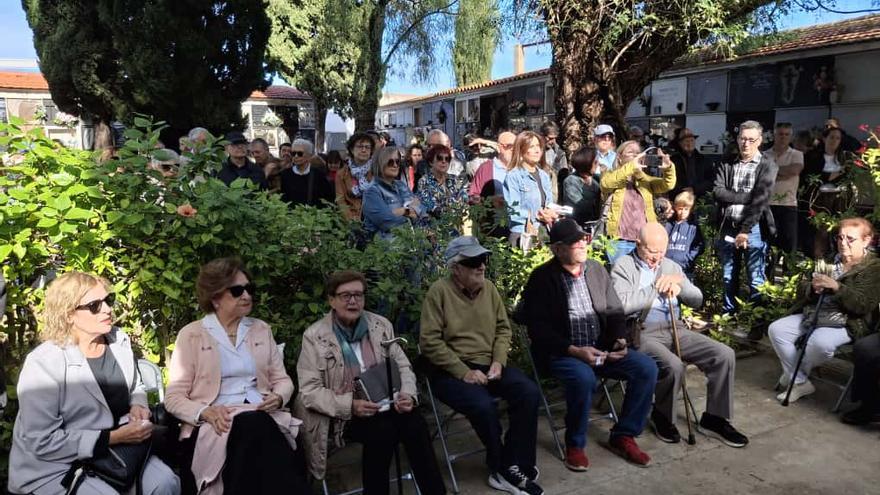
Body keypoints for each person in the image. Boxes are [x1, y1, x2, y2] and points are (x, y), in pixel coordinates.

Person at [8, 271, 180, 495]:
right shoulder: (44, 363)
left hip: (119, 452)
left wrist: (139, 404)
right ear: (68, 314)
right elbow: (42, 441)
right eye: (94, 305)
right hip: (57, 466)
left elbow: (136, 385)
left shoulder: (119, 341)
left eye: (108, 300)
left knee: (166, 483)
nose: (107, 309)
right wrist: (113, 437)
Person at [518, 219, 659, 470]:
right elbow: (538, 330)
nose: (583, 244)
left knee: (646, 368)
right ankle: (575, 444)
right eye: (575, 241)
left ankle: (623, 435)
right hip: (563, 353)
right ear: (557, 249)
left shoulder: (595, 269)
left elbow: (615, 311)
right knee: (583, 378)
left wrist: (619, 341)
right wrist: (575, 351)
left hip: (601, 348)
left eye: (584, 238)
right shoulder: (542, 278)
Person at [295, 271, 446, 495]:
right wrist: (350, 405)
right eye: (345, 295)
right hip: (346, 415)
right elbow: (309, 392)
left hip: (390, 401)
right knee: (382, 432)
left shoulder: (379, 325)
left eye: (358, 295)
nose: (353, 301)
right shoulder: (315, 336)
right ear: (331, 299)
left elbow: (403, 365)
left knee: (415, 424)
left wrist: (407, 394)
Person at [165, 258, 308, 494]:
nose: (247, 296)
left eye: (249, 289)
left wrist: (279, 398)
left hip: (260, 413)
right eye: (237, 290)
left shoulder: (260, 328)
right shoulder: (191, 335)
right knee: (257, 435)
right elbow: (174, 397)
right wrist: (204, 412)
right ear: (215, 298)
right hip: (216, 422)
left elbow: (282, 380)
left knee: (254, 427)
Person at [421, 236, 544, 495]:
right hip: (450, 370)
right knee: (483, 405)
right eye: (473, 261)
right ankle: (501, 467)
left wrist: (498, 361)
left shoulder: (488, 288)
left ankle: (511, 462)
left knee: (529, 392)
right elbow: (430, 343)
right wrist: (463, 372)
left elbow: (503, 329)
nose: (481, 266)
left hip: (489, 364)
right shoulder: (439, 292)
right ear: (456, 268)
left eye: (483, 260)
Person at [611, 223, 749, 448]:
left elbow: (697, 299)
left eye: (661, 251)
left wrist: (681, 283)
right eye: (651, 251)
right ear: (638, 244)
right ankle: (663, 417)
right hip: (642, 332)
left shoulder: (670, 265)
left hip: (676, 328)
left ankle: (715, 418)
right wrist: (656, 287)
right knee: (673, 365)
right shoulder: (623, 266)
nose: (657, 257)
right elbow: (622, 305)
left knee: (724, 354)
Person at [769, 217, 880, 404]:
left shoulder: (874, 268)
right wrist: (811, 288)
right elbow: (801, 290)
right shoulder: (829, 260)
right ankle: (800, 381)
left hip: (848, 321)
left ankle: (794, 374)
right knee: (777, 330)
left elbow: (863, 305)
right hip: (814, 314)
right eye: (840, 237)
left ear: (866, 240)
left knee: (819, 343)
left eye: (850, 239)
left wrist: (837, 287)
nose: (843, 243)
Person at [713, 120, 778, 315]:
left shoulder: (768, 165)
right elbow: (718, 192)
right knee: (727, 275)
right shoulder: (728, 162)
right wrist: (748, 197)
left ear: (760, 141)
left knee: (755, 276)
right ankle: (728, 315)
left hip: (754, 228)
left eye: (751, 139)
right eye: (742, 138)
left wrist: (745, 230)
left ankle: (755, 319)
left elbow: (760, 202)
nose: (746, 144)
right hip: (728, 226)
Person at [600, 140, 676, 264]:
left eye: (638, 153)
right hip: (619, 241)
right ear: (619, 157)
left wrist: (668, 168)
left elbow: (668, 184)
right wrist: (632, 166)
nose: (636, 156)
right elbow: (605, 184)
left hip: (643, 241)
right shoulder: (609, 175)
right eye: (631, 153)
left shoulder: (644, 180)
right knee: (620, 278)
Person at [503, 131, 558, 251]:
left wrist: (552, 212)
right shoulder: (514, 176)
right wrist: (536, 215)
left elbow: (548, 203)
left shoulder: (543, 175)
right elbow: (513, 211)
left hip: (544, 233)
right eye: (532, 147)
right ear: (521, 150)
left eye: (538, 146)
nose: (537, 150)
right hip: (523, 234)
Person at [802, 126, 850, 258]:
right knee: (820, 232)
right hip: (819, 198)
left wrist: (833, 176)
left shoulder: (843, 158)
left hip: (839, 199)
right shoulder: (813, 155)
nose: (834, 140)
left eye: (838, 138)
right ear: (824, 138)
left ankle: (832, 261)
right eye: (831, 137)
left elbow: (846, 177)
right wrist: (831, 176)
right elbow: (810, 177)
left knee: (835, 232)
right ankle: (817, 261)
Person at [362, 146, 426, 239]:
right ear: (380, 164)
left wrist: (398, 212)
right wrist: (407, 211)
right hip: (387, 248)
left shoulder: (400, 185)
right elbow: (387, 222)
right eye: (390, 162)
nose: (395, 165)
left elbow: (421, 208)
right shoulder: (372, 191)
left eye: (398, 161)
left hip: (410, 242)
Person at [767, 123, 805, 255]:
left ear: (791, 137)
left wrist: (771, 172)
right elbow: (761, 176)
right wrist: (783, 172)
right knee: (768, 245)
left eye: (786, 134)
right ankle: (768, 275)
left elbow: (794, 170)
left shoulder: (797, 155)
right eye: (780, 134)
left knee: (789, 246)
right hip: (767, 205)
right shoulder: (765, 155)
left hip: (788, 204)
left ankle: (789, 274)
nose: (783, 137)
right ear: (774, 135)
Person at [470, 131, 516, 238]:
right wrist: (490, 201)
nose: (513, 150)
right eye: (509, 146)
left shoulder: (521, 169)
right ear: (499, 148)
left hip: (517, 227)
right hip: (493, 228)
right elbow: (473, 196)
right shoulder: (486, 168)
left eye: (516, 146)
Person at [416, 144, 469, 219]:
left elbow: (464, 198)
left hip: (455, 223)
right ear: (431, 162)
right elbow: (431, 207)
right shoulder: (424, 181)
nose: (444, 161)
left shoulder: (455, 180)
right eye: (439, 158)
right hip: (434, 226)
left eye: (447, 159)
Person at [279, 138, 334, 207]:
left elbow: (327, 199)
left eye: (300, 153)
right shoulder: (285, 174)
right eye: (293, 153)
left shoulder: (319, 175)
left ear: (309, 156)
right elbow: (283, 198)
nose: (296, 156)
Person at [336, 133, 375, 220]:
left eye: (367, 147)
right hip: (352, 219)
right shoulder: (342, 173)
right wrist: (351, 219)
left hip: (374, 217)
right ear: (352, 149)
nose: (364, 150)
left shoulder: (377, 170)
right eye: (360, 146)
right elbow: (340, 200)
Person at [664, 191, 704, 279]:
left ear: (691, 209)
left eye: (686, 209)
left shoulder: (693, 227)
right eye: (680, 209)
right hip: (667, 265)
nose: (682, 212)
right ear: (675, 207)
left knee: (685, 291)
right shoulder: (669, 225)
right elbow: (662, 241)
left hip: (685, 268)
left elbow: (699, 245)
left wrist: (688, 258)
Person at [668, 128, 714, 199]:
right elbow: (669, 180)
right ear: (680, 143)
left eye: (692, 140)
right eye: (686, 141)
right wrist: (683, 191)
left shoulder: (705, 160)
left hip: (701, 201)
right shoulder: (672, 160)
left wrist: (695, 189)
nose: (689, 143)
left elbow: (711, 181)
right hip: (679, 201)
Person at [562, 147, 601, 225]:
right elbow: (580, 206)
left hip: (594, 223)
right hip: (577, 224)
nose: (598, 164)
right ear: (587, 163)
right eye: (595, 162)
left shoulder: (595, 179)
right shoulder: (571, 181)